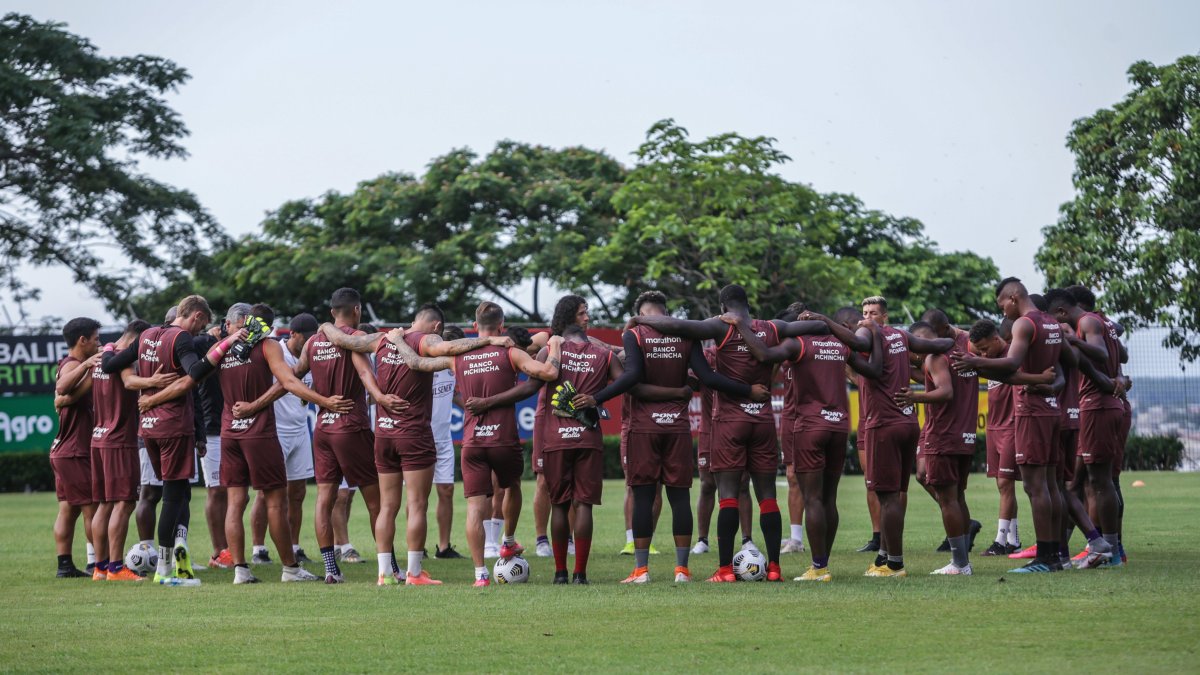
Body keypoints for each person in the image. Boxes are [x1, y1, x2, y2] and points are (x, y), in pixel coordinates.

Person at [629, 284, 827, 582]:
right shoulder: (773, 327)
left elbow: (676, 325)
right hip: (761, 421)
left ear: (723, 307)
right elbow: (819, 326)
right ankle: (774, 569)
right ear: (747, 304)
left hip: (730, 421)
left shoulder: (720, 326)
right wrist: (814, 316)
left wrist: (640, 320)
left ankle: (724, 571)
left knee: (729, 496)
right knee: (767, 496)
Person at [319, 304, 512, 585]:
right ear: (436, 327)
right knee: (417, 504)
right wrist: (490, 340)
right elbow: (455, 348)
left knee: (387, 506)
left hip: (384, 434)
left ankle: (384, 573)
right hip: (414, 435)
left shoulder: (381, 339)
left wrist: (325, 327)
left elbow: (344, 340)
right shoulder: (427, 340)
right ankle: (414, 573)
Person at [594, 290, 767, 583]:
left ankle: (641, 570)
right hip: (677, 427)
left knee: (644, 496)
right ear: (664, 311)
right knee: (679, 497)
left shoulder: (635, 335)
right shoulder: (686, 337)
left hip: (644, 427)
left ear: (641, 313)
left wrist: (596, 397)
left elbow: (632, 379)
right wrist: (747, 390)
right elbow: (708, 379)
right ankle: (682, 570)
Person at [391, 301, 559, 586]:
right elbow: (548, 374)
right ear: (502, 326)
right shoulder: (511, 352)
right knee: (512, 487)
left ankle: (480, 574)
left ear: (473, 326)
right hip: (503, 439)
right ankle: (507, 541)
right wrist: (554, 346)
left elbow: (416, 363)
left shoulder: (458, 357)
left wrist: (396, 340)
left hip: (471, 443)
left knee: (474, 507)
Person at [727, 305, 881, 582]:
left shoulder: (798, 344)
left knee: (812, 499)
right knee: (829, 498)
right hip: (838, 426)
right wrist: (877, 337)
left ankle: (819, 568)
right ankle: (822, 561)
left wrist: (740, 327)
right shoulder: (840, 346)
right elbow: (873, 371)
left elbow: (763, 354)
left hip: (809, 426)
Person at [802, 296, 954, 577]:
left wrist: (825, 321)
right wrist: (953, 339)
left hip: (883, 424)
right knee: (895, 494)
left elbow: (860, 346)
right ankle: (884, 556)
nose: (867, 317)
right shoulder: (901, 336)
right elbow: (940, 344)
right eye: (864, 312)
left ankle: (894, 564)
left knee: (887, 497)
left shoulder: (868, 335)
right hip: (908, 422)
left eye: (873, 313)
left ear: (885, 316)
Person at [951, 279, 1074, 573]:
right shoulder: (1051, 323)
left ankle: (1045, 558)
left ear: (1013, 296)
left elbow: (1011, 364)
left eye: (1002, 304)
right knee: (1051, 485)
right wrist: (1052, 385)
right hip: (1050, 410)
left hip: (1031, 412)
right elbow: (1068, 365)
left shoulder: (1024, 324)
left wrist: (973, 361)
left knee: (1035, 486)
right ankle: (1058, 554)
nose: (1003, 312)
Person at [216, 303, 333, 583]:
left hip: (230, 432)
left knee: (235, 503)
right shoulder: (267, 346)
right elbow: (289, 383)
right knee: (275, 503)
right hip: (259, 433)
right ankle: (291, 569)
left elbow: (193, 376)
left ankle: (241, 571)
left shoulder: (221, 349)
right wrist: (325, 401)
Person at [290, 288, 388, 584]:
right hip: (351, 426)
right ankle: (388, 567)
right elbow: (364, 374)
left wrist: (315, 399)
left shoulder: (313, 342)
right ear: (357, 310)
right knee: (376, 500)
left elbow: (293, 375)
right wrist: (382, 398)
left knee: (324, 498)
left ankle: (331, 569)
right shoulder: (354, 339)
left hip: (322, 429)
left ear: (333, 312)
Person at [135, 294, 227, 586]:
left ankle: (180, 559)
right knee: (173, 497)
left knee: (180, 493)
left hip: (148, 427)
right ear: (197, 316)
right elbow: (195, 372)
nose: (201, 331)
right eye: (202, 326)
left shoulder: (148, 334)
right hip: (173, 426)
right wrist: (223, 347)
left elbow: (118, 359)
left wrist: (146, 389)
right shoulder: (182, 338)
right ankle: (165, 569)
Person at [79, 319, 174, 581]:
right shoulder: (123, 359)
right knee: (124, 503)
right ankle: (116, 568)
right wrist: (153, 380)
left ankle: (100, 568)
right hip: (119, 439)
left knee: (105, 505)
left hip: (98, 437)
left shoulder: (103, 353)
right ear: (138, 340)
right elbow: (130, 382)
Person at [1045, 288, 1126, 566]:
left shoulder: (1088, 323)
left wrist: (1073, 341)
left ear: (1062, 313)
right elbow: (1120, 355)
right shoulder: (1102, 323)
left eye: (1055, 320)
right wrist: (1120, 377)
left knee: (1100, 482)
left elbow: (1102, 353)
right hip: (1102, 404)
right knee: (1084, 481)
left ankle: (1111, 551)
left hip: (1098, 406)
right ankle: (1073, 551)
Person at [900, 321, 980, 575]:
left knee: (948, 500)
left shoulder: (935, 357)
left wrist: (915, 397)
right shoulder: (958, 356)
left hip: (943, 434)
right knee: (956, 497)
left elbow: (945, 392)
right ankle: (963, 558)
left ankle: (959, 564)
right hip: (964, 435)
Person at [249, 312, 320, 566]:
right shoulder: (275, 352)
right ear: (293, 334)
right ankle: (258, 548)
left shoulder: (311, 356)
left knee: (297, 493)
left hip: (301, 429)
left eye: (313, 338)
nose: (309, 343)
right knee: (265, 494)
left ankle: (295, 545)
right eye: (306, 338)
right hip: (275, 430)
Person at [193, 303, 253, 571]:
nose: (244, 333)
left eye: (247, 328)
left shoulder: (251, 344)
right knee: (216, 491)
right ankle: (219, 552)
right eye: (240, 328)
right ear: (228, 325)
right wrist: (223, 340)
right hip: (213, 426)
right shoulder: (208, 341)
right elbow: (201, 369)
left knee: (240, 492)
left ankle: (232, 549)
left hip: (240, 425)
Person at [50, 317, 103, 578]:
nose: (99, 343)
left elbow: (62, 396)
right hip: (75, 450)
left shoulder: (69, 365)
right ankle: (98, 563)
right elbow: (61, 388)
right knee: (91, 506)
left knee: (68, 509)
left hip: (64, 449)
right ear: (82, 340)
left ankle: (65, 565)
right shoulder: (73, 364)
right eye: (95, 339)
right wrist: (88, 366)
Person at [969, 319, 1023, 555]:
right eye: (978, 350)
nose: (982, 354)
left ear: (996, 338)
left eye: (984, 348)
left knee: (1005, 483)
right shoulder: (988, 356)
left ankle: (1000, 542)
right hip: (994, 427)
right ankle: (1013, 539)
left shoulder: (1012, 353)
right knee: (1004, 486)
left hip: (1011, 426)